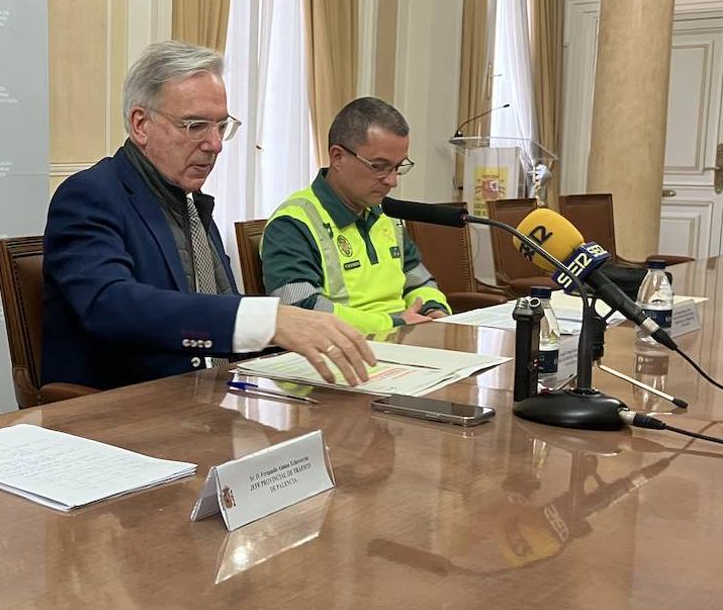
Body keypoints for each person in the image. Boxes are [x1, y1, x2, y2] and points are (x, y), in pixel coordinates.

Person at [42, 40, 374, 391]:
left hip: (212, 399)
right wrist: (269, 319)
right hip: (126, 412)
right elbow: (111, 305)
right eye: (196, 126)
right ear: (141, 124)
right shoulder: (91, 195)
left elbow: (216, 307)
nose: (215, 144)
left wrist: (301, 331)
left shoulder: (190, 200)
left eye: (221, 126)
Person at [262, 97, 450, 334]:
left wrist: (435, 311)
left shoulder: (385, 214)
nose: (392, 181)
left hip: (402, 343)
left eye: (398, 167)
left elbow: (419, 281)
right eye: (379, 166)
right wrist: (393, 322)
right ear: (337, 157)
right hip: (338, 354)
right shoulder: (292, 223)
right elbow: (300, 310)